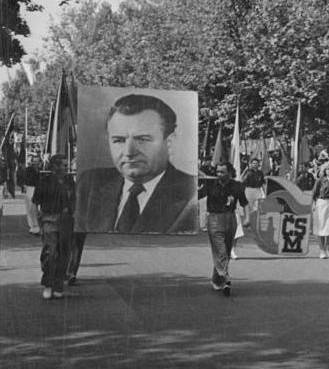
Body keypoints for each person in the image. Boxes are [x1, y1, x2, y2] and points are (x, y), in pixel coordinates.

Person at [75, 94, 198, 234]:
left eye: (143, 140)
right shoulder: (88, 184)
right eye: (119, 140)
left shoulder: (191, 195)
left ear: (169, 143)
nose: (129, 152)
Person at [199, 161, 249, 296]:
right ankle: (226, 278)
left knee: (225, 251)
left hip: (230, 219)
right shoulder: (210, 184)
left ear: (229, 172)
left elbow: (244, 202)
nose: (219, 174)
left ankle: (217, 280)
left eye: (222, 172)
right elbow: (198, 195)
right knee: (220, 249)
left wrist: (247, 217)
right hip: (214, 219)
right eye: (218, 172)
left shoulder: (237, 186)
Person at [32, 154, 75, 300]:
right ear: (55, 167)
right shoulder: (44, 182)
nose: (66, 167)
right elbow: (35, 203)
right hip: (49, 219)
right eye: (63, 165)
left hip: (66, 221)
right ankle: (48, 285)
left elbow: (75, 200)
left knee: (64, 253)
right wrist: (35, 225)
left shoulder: (69, 181)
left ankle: (58, 285)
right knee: (50, 253)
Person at [23, 153, 42, 235]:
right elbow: (26, 179)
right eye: (34, 161)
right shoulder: (29, 170)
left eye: (37, 161)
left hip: (38, 189)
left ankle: (36, 226)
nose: (36, 163)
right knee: (31, 209)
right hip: (31, 188)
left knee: (36, 209)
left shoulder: (42, 169)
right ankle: (34, 226)